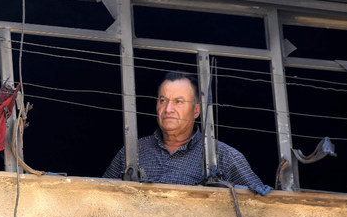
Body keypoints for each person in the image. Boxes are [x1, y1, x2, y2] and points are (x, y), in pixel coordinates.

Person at [103, 71, 271, 195]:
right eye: (163, 100)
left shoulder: (223, 156)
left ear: (196, 110)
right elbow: (99, 195)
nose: (168, 109)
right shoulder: (133, 152)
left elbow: (260, 203)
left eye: (178, 102)